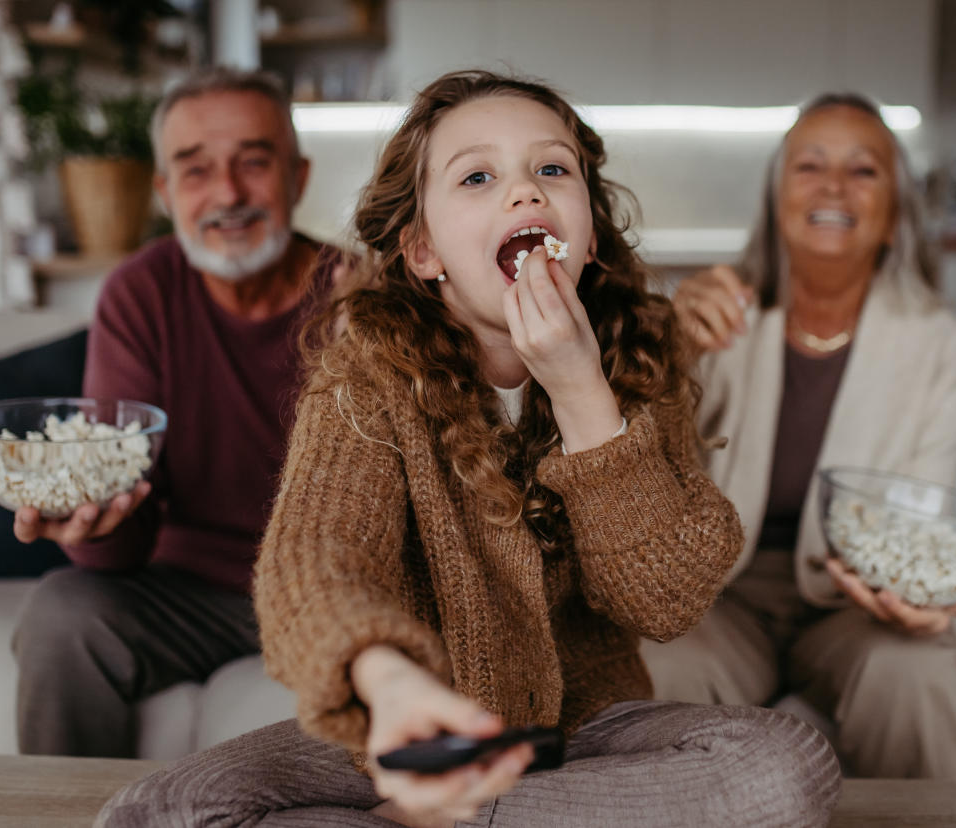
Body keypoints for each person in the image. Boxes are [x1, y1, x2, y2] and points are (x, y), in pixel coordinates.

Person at [94, 70, 843, 827]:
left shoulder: (640, 359)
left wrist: (583, 390)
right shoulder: (367, 375)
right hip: (410, 735)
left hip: (585, 740)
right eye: (478, 177)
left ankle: (456, 819)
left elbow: (666, 599)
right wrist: (387, 683)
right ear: (423, 250)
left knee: (788, 768)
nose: (525, 192)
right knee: (162, 809)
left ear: (588, 230)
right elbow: (316, 558)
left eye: (553, 169)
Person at [647, 92, 956, 780]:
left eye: (864, 170)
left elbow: (918, 513)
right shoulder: (717, 314)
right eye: (810, 165)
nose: (834, 187)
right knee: (659, 668)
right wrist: (670, 351)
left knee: (910, 674)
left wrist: (914, 596)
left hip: (859, 603)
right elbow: (649, 467)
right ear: (776, 198)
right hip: (722, 597)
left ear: (895, 211)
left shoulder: (934, 341)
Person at [9, 67, 342, 758]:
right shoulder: (140, 294)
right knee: (61, 613)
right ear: (165, 192)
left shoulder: (358, 297)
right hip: (188, 594)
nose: (227, 194)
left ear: (298, 177)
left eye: (254, 162)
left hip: (338, 590)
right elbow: (118, 532)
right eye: (196, 171)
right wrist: (94, 522)